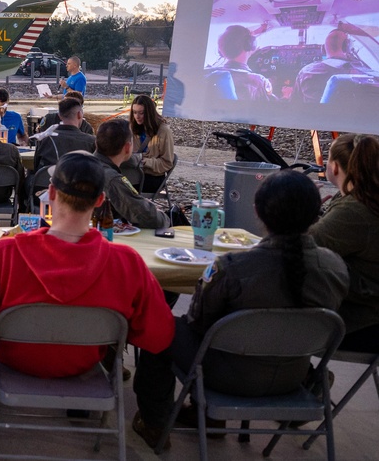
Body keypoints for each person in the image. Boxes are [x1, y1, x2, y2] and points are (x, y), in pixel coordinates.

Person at [132, 170, 349, 449]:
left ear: (258, 211)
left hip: (226, 377)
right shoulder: (334, 268)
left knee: (159, 328)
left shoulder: (233, 268)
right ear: (317, 214)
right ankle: (209, 420)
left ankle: (154, 422)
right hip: (292, 377)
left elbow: (198, 322)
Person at [0, 151, 174, 413]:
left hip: (13, 361)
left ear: (51, 193)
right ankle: (81, 406)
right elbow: (159, 335)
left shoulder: (5, 254)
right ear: (100, 200)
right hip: (83, 364)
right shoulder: (128, 263)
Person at [310, 134, 379, 352]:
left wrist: (301, 208)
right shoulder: (365, 198)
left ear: (335, 168)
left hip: (361, 321)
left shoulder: (355, 210)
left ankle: (303, 379)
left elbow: (302, 246)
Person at [93, 119, 170, 229]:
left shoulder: (84, 162)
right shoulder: (112, 180)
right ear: (128, 147)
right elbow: (148, 217)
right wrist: (165, 218)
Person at [296, 26, 375, 104]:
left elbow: (295, 103)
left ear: (323, 49)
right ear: (347, 47)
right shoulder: (358, 73)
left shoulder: (305, 72)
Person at [122, 95, 174, 192]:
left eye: (141, 113)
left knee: (121, 187)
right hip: (134, 172)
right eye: (135, 112)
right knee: (112, 181)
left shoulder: (164, 131)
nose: (137, 116)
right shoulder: (132, 128)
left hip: (153, 177)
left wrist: (146, 162)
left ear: (149, 113)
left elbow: (167, 163)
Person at [208, 24, 274, 101]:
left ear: (221, 50)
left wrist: (257, 31)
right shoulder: (258, 81)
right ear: (250, 45)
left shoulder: (210, 73)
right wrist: (286, 96)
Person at [31, 97, 96, 173]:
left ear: (59, 115)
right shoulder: (91, 141)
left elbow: (36, 167)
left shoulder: (44, 139)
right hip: (79, 182)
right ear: (79, 114)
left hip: (47, 182)